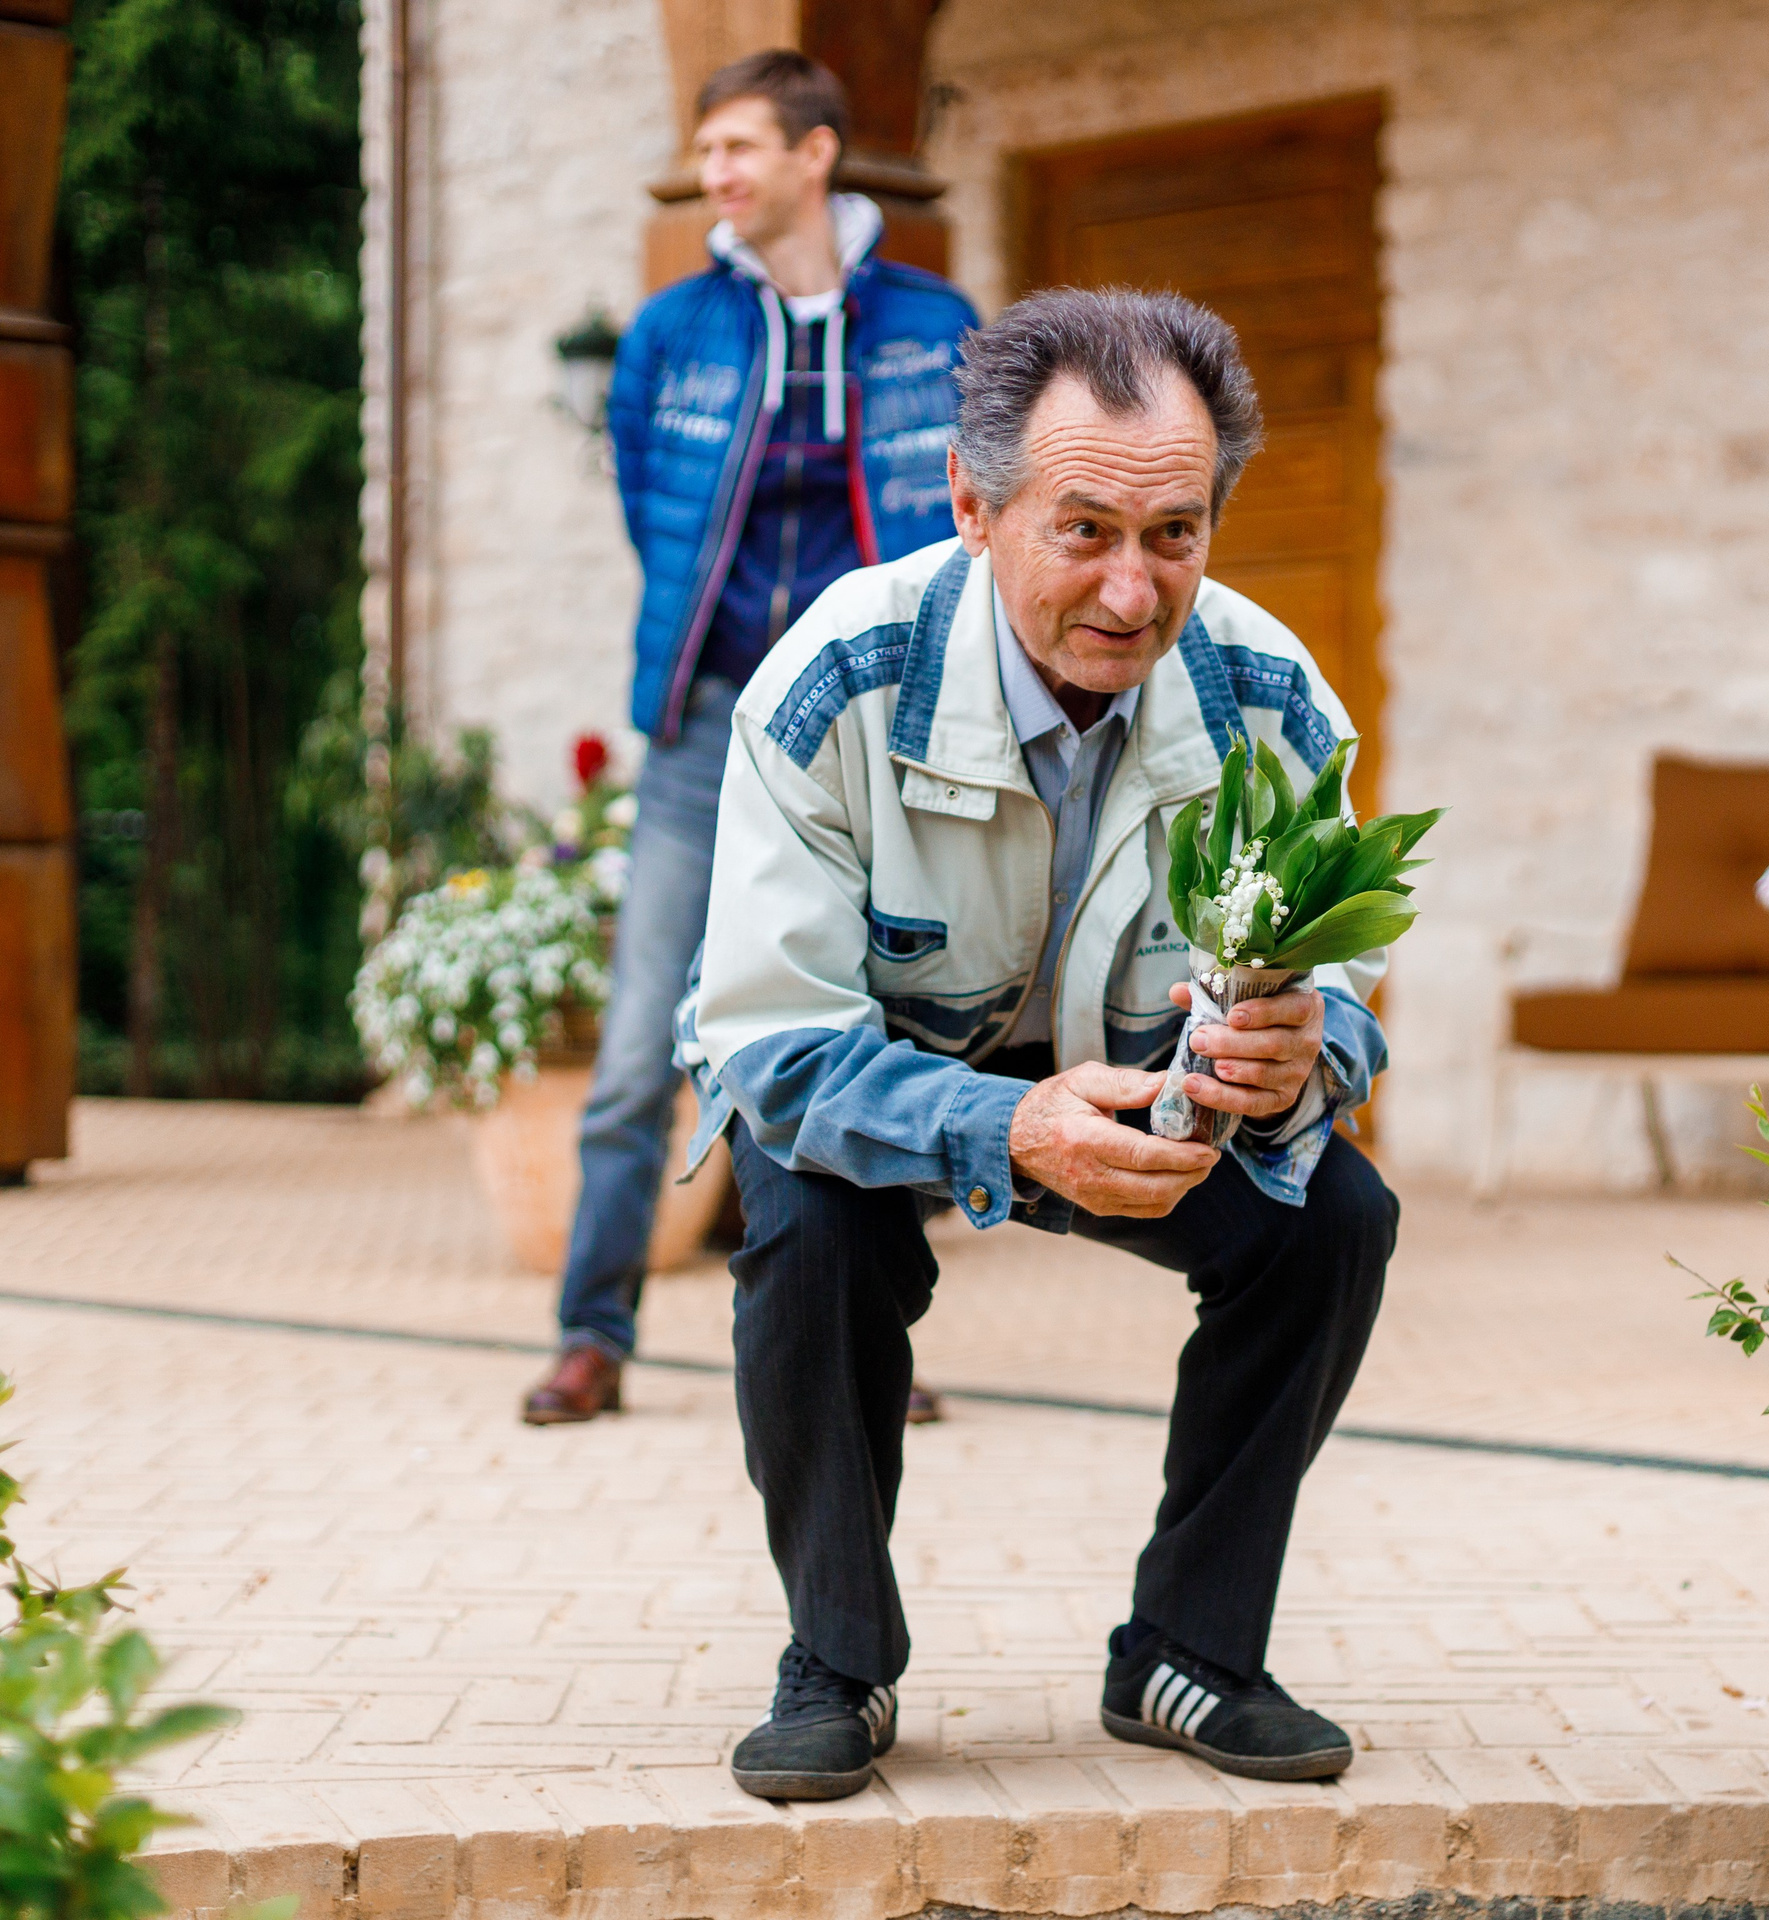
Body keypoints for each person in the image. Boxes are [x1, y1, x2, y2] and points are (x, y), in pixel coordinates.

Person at [678, 288, 1399, 1800]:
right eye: (1084, 531)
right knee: (801, 1215)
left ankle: (1188, 1656)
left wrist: (1305, 1055)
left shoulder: (1272, 698)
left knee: (1331, 1220)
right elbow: (773, 1042)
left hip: (1141, 1093)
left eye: (1176, 536)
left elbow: (1347, 975)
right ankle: (840, 1660)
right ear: (975, 506)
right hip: (875, 1103)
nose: (1134, 592)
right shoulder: (834, 683)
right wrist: (1002, 1128)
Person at [521, 50, 975, 1425]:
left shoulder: (936, 324)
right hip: (705, 728)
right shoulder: (671, 331)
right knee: (632, 1052)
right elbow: (655, 513)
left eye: (735, 147)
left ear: (814, 153)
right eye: (705, 151)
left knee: (877, 1031)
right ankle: (592, 1338)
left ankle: (869, 1349)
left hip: (866, 735)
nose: (712, 173)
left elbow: (975, 501)